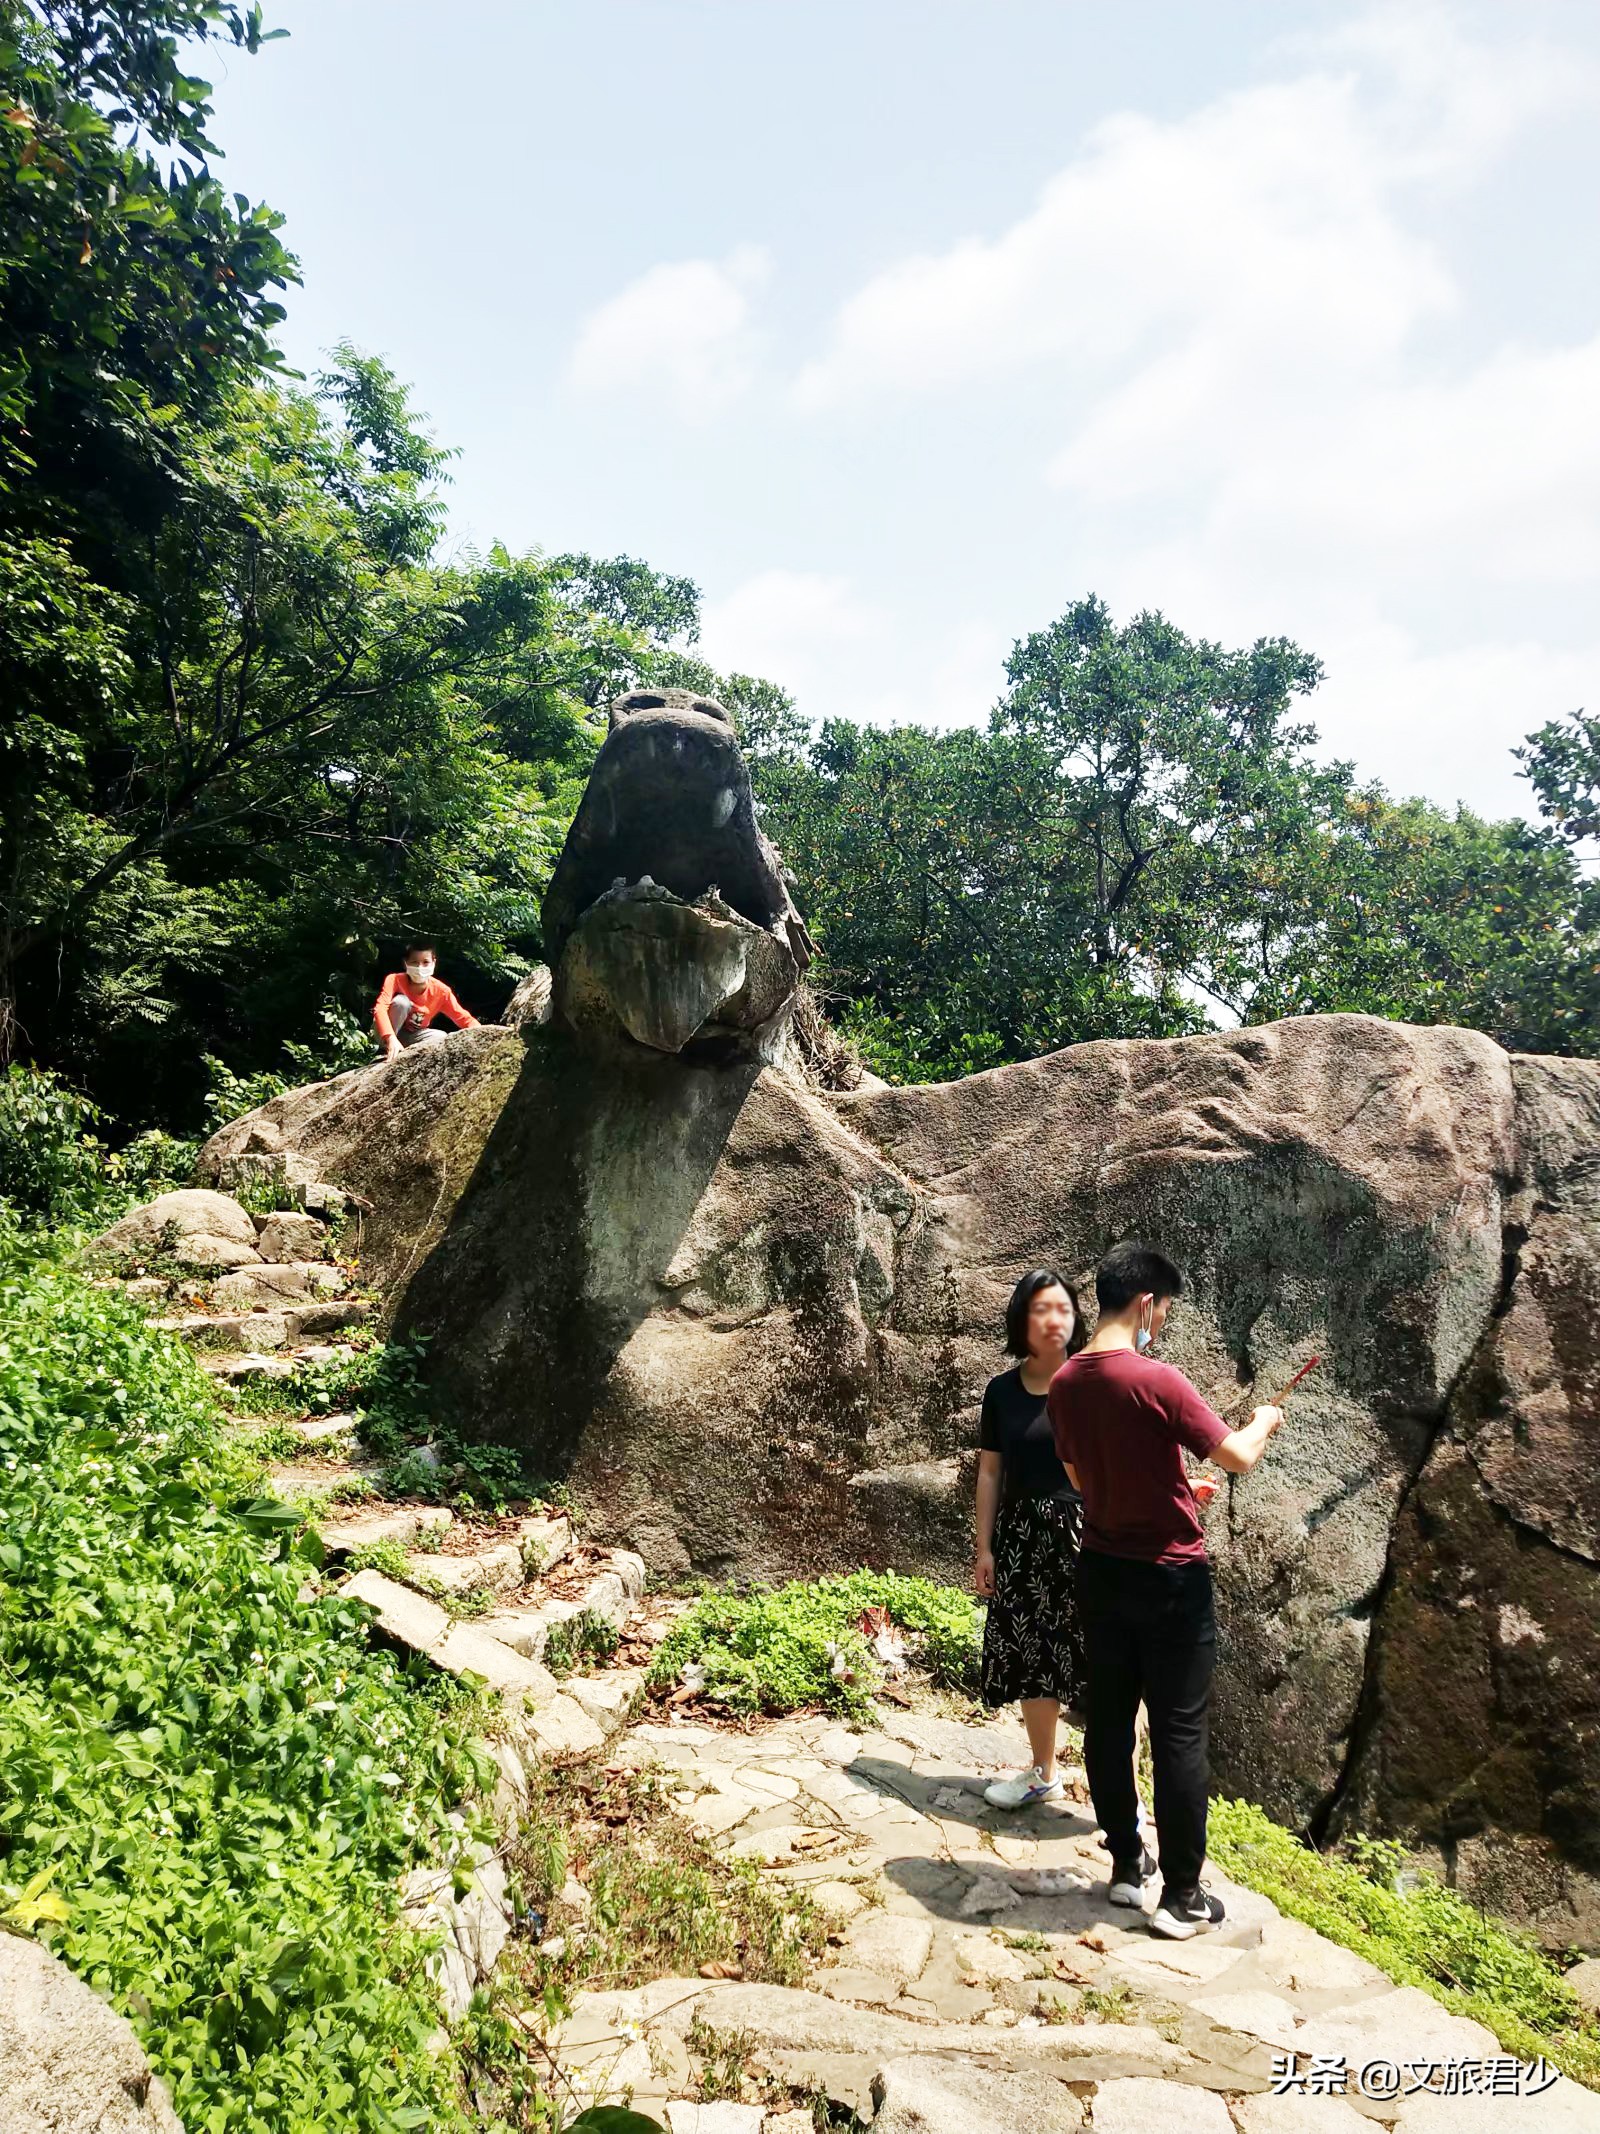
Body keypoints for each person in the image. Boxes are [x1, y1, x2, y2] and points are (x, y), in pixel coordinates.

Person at [1049, 1240, 1285, 1940]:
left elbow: (1084, 1483)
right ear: (1147, 1301)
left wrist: (1175, 1490)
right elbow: (1239, 1454)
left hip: (1101, 1568)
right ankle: (1182, 1896)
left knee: (1111, 1721)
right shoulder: (1157, 1379)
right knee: (1181, 1730)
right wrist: (1265, 1419)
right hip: (1172, 1579)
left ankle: (1127, 1866)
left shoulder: (1065, 1382)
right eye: (1165, 1310)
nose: (1162, 1322)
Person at [974, 1268, 1092, 1809]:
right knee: (1032, 1655)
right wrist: (984, 1547)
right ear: (1021, 1321)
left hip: (1088, 1535)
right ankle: (1043, 1771)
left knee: (1105, 1658)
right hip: (1021, 1537)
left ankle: (1123, 1792)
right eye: (1041, 1309)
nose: (1054, 1319)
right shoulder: (1001, 1391)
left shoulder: (1094, 1384)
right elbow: (991, 1473)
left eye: (1063, 1308)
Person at [372, 942, 480, 1061]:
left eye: (425, 962)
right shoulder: (394, 979)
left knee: (441, 1037)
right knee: (401, 1003)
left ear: (433, 963)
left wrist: (482, 1034)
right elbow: (380, 1008)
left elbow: (463, 1018)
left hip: (414, 1035)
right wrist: (390, 1037)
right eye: (414, 962)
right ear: (405, 963)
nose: (420, 967)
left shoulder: (441, 991)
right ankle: (384, 1050)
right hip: (387, 1032)